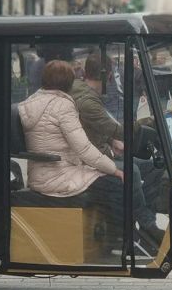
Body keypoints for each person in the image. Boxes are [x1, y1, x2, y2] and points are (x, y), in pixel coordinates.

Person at [18, 60, 163, 248]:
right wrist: (114, 170)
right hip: (60, 175)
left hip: (48, 172)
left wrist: (110, 146)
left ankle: (139, 229)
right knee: (120, 180)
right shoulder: (61, 106)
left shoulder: (32, 101)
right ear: (68, 83)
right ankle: (123, 239)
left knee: (122, 175)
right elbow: (83, 148)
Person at [70, 53, 165, 216]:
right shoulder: (88, 100)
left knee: (152, 167)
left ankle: (144, 213)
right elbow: (118, 130)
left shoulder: (85, 92)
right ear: (107, 76)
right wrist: (150, 120)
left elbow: (97, 127)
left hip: (100, 150)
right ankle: (145, 223)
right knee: (133, 171)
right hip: (90, 159)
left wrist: (111, 140)